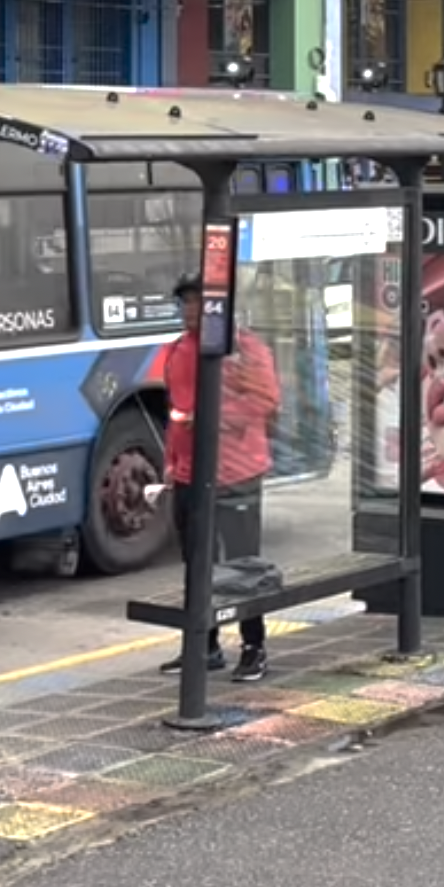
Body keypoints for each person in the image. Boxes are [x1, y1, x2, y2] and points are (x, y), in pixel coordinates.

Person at [155, 277, 281, 682]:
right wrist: (171, 464)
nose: (189, 312)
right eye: (185, 305)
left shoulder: (244, 348)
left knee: (244, 564)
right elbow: (175, 410)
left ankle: (254, 646)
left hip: (236, 472)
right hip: (191, 474)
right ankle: (203, 644)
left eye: (197, 304)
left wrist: (211, 420)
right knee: (197, 561)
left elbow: (264, 402)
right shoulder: (177, 350)